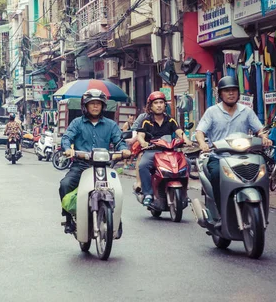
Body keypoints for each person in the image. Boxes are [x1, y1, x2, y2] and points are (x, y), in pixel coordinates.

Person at [196, 76, 272, 215]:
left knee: (262, 173)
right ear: (220, 94)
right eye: (227, 91)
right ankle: (220, 212)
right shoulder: (212, 112)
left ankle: (260, 209)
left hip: (244, 155)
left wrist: (264, 137)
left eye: (234, 90)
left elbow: (259, 129)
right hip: (219, 156)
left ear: (238, 93)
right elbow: (200, 131)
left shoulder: (246, 111)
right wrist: (202, 143)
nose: (231, 93)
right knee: (216, 175)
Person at [59, 89, 131, 234]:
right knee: (64, 185)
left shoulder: (111, 125)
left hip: (104, 166)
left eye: (98, 103)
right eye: (92, 103)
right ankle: (68, 219)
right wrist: (68, 149)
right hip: (81, 166)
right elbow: (66, 138)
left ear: (103, 106)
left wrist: (124, 150)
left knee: (116, 190)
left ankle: (115, 219)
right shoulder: (77, 123)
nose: (95, 106)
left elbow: (119, 141)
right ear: (85, 106)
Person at [135, 91, 191, 205]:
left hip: (169, 151)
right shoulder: (146, 120)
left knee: (187, 162)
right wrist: (143, 143)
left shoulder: (170, 120)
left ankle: (184, 192)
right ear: (151, 106)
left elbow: (179, 132)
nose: (159, 105)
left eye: (161, 102)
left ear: (165, 105)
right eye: (156, 103)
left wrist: (186, 139)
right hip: (152, 151)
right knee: (143, 165)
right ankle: (148, 193)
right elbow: (140, 136)